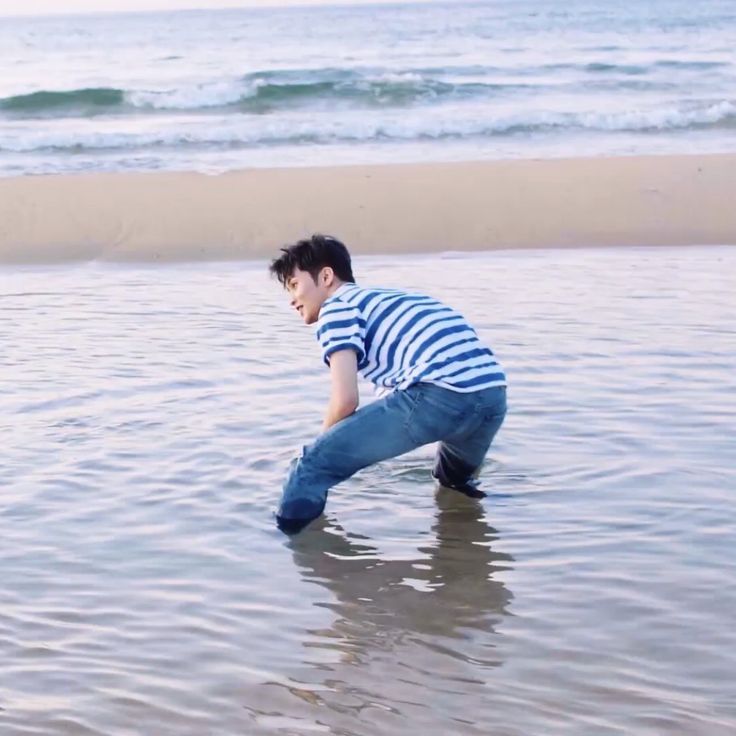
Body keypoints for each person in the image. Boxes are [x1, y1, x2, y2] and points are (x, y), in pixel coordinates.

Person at [269, 234, 507, 534]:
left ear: (326, 276)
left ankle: (285, 548)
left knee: (309, 467)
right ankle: (466, 550)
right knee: (454, 484)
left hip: (438, 394)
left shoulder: (336, 307)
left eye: (294, 285)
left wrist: (324, 449)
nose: (292, 299)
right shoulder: (396, 298)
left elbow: (345, 401)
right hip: (492, 396)